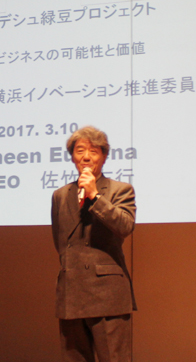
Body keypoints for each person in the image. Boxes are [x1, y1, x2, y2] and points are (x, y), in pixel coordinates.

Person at [51, 126, 136, 362]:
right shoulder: (60, 195)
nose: (86, 157)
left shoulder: (121, 190)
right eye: (80, 151)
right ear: (72, 157)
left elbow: (125, 226)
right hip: (71, 292)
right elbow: (60, 241)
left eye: (94, 151)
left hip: (107, 293)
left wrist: (95, 196)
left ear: (104, 157)